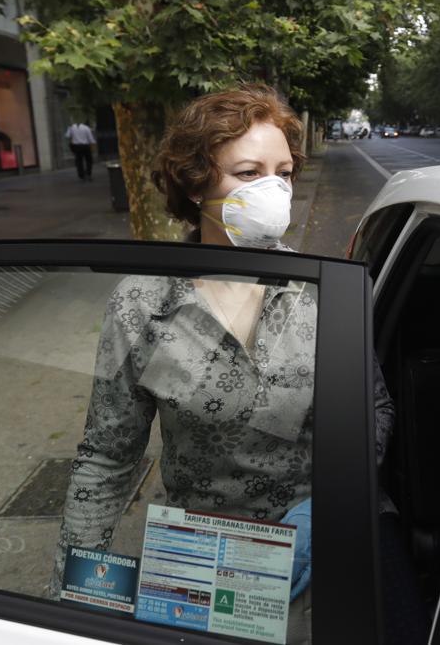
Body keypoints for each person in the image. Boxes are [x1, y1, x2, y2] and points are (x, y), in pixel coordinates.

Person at [48, 85, 397, 631]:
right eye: (248, 173)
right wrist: (73, 589)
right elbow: (107, 457)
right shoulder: (144, 302)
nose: (274, 191)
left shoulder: (321, 290)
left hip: (325, 542)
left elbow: (374, 409)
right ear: (194, 184)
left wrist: (328, 504)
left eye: (283, 172)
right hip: (201, 559)